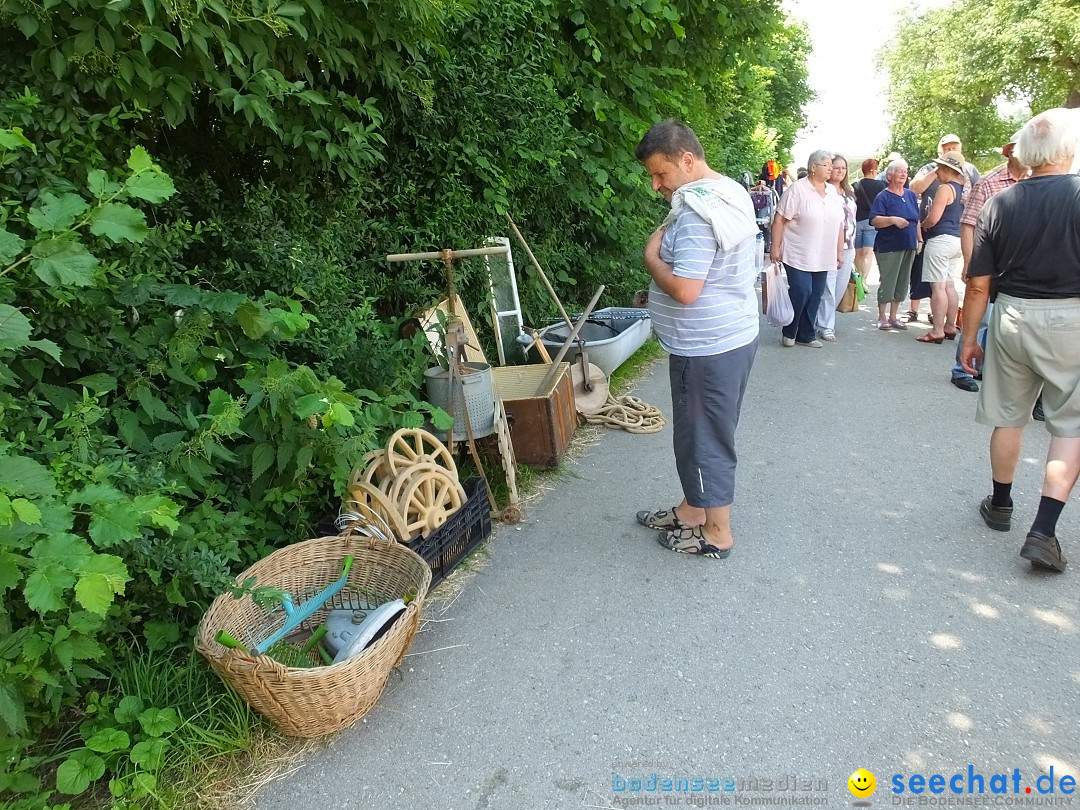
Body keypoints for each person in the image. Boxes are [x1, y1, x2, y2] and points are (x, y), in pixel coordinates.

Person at [633, 119, 760, 560]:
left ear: (687, 160)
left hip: (706, 348)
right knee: (705, 432)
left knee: (704, 438)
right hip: (731, 337)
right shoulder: (728, 192)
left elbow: (687, 290)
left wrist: (651, 258)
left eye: (661, 174)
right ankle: (692, 510)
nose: (655, 185)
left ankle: (716, 533)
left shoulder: (694, 213)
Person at [961, 108, 1080, 573]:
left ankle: (1001, 504)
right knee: (1070, 423)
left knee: (1008, 415)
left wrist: (969, 338)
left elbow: (977, 283)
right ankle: (1044, 531)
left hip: (1010, 314)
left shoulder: (999, 202)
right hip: (1071, 316)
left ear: (1026, 154)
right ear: (1066, 151)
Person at [950, 131, 1028, 392]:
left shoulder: (1035, 180)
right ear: (1008, 152)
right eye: (1020, 148)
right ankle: (962, 370)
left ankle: (986, 367)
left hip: (1019, 266)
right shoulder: (989, 182)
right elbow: (968, 223)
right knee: (979, 315)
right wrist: (971, 263)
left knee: (1005, 321)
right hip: (990, 261)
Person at [770, 150, 845, 348]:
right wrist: (775, 247)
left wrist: (839, 251)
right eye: (826, 164)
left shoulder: (833, 193)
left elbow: (839, 224)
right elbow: (779, 219)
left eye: (831, 165)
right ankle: (790, 329)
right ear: (813, 167)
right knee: (802, 290)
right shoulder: (797, 189)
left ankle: (806, 333)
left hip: (824, 253)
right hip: (797, 251)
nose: (831, 168)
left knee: (816, 294)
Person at [915, 150, 966, 343]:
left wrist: (923, 224)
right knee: (950, 284)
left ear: (947, 168)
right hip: (956, 239)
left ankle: (937, 330)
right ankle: (950, 325)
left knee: (938, 288)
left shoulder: (944, 189)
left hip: (940, 240)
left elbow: (934, 218)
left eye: (939, 167)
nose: (937, 171)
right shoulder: (962, 188)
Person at [869, 159, 920, 330]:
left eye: (905, 171)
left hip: (909, 244)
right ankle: (882, 317)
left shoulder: (911, 195)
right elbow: (874, 220)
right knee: (888, 280)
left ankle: (893, 317)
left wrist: (919, 240)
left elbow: (917, 220)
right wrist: (892, 220)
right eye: (900, 171)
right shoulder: (883, 196)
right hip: (889, 246)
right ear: (889, 175)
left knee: (902, 281)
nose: (904, 174)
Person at [816, 153, 857, 341]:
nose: (840, 171)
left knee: (839, 287)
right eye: (836, 168)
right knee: (829, 287)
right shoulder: (824, 190)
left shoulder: (849, 191)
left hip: (849, 244)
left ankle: (820, 318)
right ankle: (826, 326)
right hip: (830, 244)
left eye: (843, 168)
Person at [853, 158, 884, 282]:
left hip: (857, 221)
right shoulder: (880, 185)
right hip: (872, 222)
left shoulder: (855, 185)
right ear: (872, 170)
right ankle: (864, 280)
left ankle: (858, 278)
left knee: (858, 252)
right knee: (868, 252)